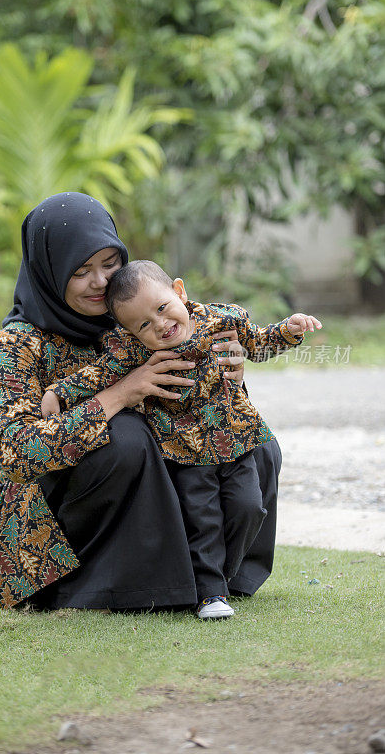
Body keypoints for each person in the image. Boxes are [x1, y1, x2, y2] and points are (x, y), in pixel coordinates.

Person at [0, 193, 268, 614]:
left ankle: (218, 578)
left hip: (149, 470)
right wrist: (120, 394)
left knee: (250, 440)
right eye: (80, 271)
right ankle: (87, 588)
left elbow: (203, 393)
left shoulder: (137, 316)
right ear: (49, 274)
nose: (101, 282)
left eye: (110, 264)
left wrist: (229, 369)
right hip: (40, 512)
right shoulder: (18, 343)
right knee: (125, 437)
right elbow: (19, 453)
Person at [41, 260, 321, 618]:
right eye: (144, 324)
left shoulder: (222, 320)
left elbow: (259, 344)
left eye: (162, 308)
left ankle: (222, 575)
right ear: (130, 332)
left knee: (248, 506)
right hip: (184, 448)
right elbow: (98, 373)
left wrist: (289, 330)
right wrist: (59, 393)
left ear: (178, 291)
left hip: (234, 440)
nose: (161, 324)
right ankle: (210, 593)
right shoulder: (134, 350)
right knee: (202, 518)